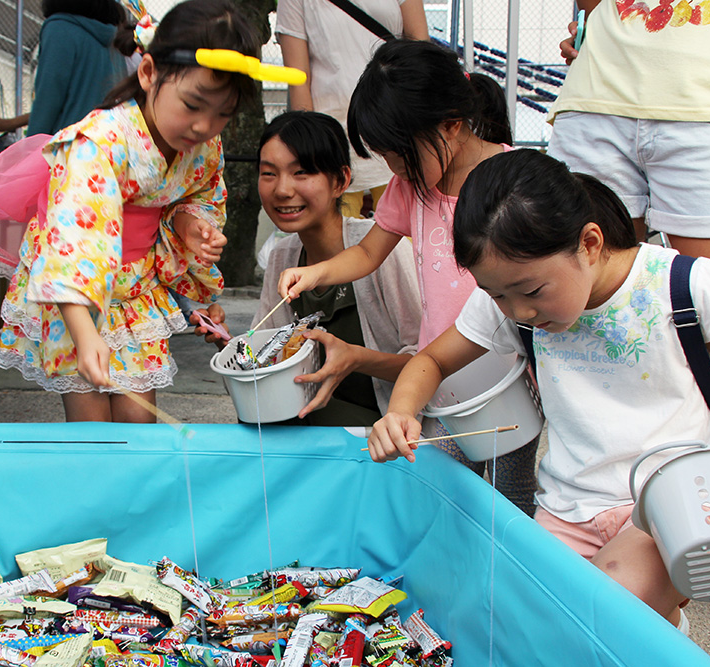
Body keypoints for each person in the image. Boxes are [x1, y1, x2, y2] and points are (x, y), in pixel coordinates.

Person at [367, 149, 710, 630]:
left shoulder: (682, 284)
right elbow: (432, 361)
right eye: (496, 294)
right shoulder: (510, 302)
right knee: (521, 619)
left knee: (599, 612)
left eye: (531, 291)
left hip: (673, 499)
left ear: (589, 243)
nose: (518, 311)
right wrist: (401, 413)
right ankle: (665, 625)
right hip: (566, 506)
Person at [276, 39, 537, 515]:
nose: (394, 170)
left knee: (510, 497)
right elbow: (368, 252)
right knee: (432, 486)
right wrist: (316, 272)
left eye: (400, 155)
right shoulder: (411, 186)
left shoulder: (515, 178)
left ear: (451, 125)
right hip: (437, 371)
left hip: (508, 375)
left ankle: (498, 585)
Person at [547, 0, 710, 437]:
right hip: (596, 101)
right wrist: (596, 30)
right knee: (583, 329)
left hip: (709, 110)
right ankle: (614, 492)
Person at [0, 0, 256, 422]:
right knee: (93, 428)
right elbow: (74, 238)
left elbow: (199, 194)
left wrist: (190, 225)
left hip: (134, 286)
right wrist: (83, 330)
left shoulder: (204, 147)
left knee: (139, 422)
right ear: (148, 73)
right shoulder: (98, 141)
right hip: (76, 294)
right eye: (192, 105)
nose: (205, 126)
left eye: (223, 114)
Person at [197, 111, 422, 426]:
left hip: (385, 428)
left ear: (341, 181)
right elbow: (265, 357)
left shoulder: (385, 251)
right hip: (311, 420)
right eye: (269, 173)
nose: (282, 190)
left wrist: (358, 359)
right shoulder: (283, 257)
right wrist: (229, 345)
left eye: (301, 172)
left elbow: (428, 361)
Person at [275, 0, 428, 217]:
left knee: (408, 238)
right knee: (340, 240)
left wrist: (422, 129)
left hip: (396, 129)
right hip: (336, 135)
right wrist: (310, 147)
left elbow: (421, 52)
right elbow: (298, 80)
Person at [0, 0, 130, 139]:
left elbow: (48, 100)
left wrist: (30, 152)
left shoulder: (60, 29)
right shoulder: (112, 37)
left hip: (66, 150)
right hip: (107, 145)